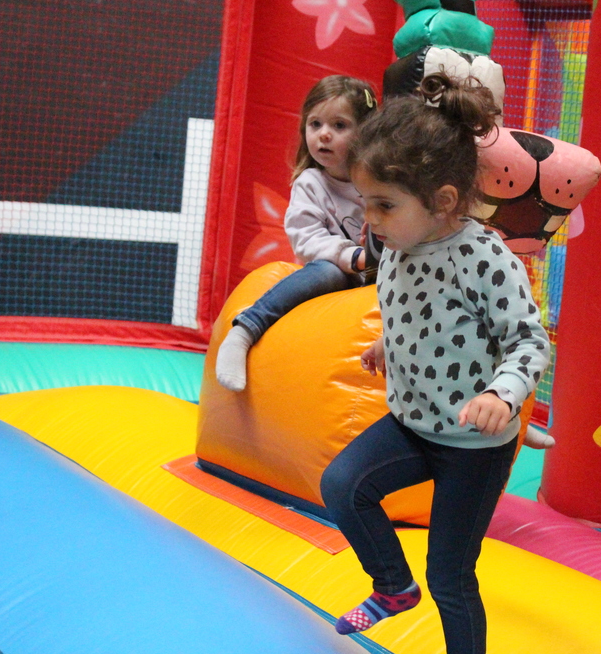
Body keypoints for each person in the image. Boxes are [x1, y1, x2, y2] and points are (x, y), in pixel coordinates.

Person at [320, 73, 550, 654]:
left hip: (473, 445)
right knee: (342, 485)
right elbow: (418, 310)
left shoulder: (483, 257)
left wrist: (501, 395)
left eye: (384, 204)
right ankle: (393, 587)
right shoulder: (397, 243)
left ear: (443, 202)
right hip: (412, 423)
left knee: (449, 575)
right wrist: (390, 344)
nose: (370, 218)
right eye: (364, 201)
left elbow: (529, 341)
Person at [216, 75, 379, 391]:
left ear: (366, 132)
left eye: (339, 125)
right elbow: (306, 240)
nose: (324, 134)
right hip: (337, 277)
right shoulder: (311, 184)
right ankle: (246, 329)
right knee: (328, 271)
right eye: (315, 124)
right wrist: (354, 257)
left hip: (381, 280)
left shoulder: (381, 182)